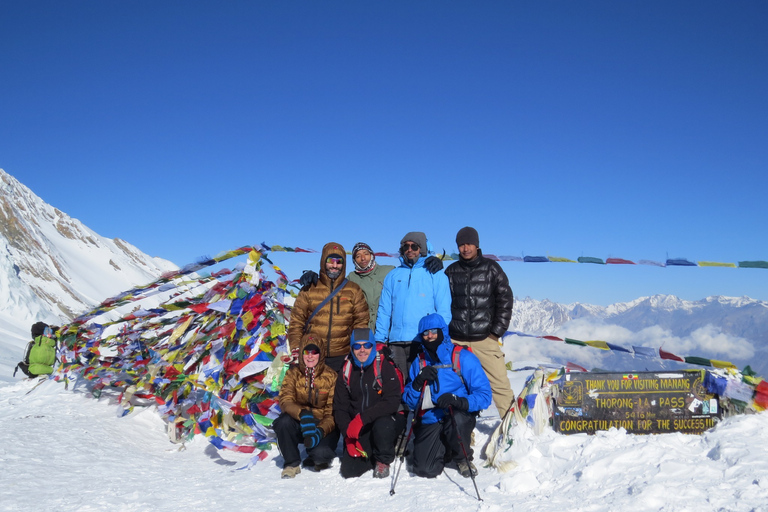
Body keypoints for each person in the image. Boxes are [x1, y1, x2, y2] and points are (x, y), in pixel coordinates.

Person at [402, 313, 491, 478]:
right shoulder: (419, 363)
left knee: (456, 419)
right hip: (431, 417)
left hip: (457, 414)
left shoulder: (462, 357)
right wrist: (418, 382)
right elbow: (410, 402)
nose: (430, 336)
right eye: (425, 333)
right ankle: (445, 448)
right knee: (424, 469)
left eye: (434, 331)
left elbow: (485, 395)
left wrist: (458, 401)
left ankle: (463, 458)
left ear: (442, 331)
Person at [444, 227, 516, 417]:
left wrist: (496, 332)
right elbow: (441, 302)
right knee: (457, 386)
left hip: (485, 339)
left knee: (500, 384)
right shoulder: (451, 271)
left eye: (469, 243)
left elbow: (505, 299)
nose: (465, 248)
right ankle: (464, 434)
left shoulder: (491, 268)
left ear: (477, 245)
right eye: (461, 244)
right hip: (456, 341)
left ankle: (513, 429)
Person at [375, 231, 452, 378]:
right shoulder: (393, 275)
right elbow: (385, 310)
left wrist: (441, 339)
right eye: (406, 246)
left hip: (423, 340)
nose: (409, 250)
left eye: (414, 246)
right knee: (397, 383)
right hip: (396, 341)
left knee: (420, 384)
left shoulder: (435, 274)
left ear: (421, 249)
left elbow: (444, 311)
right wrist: (380, 339)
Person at [288, 242, 369, 374]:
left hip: (342, 356)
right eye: (331, 261)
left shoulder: (353, 290)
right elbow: (297, 322)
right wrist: (296, 349)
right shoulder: (309, 288)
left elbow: (361, 323)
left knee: (339, 394)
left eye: (339, 261)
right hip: (313, 354)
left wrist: (359, 351)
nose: (335, 266)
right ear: (323, 261)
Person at [334, 328, 401, 479]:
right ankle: (370, 449)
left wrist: (362, 418)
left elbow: (392, 400)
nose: (362, 350)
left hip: (382, 419)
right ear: (352, 348)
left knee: (383, 425)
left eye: (366, 345)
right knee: (349, 471)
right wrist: (348, 436)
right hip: (359, 426)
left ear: (372, 346)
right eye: (357, 346)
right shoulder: (346, 369)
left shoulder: (383, 365)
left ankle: (383, 459)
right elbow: (340, 407)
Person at [274, 333, 340, 479]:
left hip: (322, 424)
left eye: (314, 352)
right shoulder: (293, 374)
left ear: (320, 354)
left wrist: (320, 431)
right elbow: (285, 400)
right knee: (283, 422)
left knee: (321, 456)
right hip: (301, 420)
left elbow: (332, 412)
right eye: (307, 352)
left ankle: (315, 452)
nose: (310, 356)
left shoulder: (331, 376)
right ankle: (291, 463)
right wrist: (302, 414)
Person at [346, 242, 395, 331]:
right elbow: (334, 286)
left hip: (386, 329)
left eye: (366, 254)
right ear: (354, 260)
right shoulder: (351, 278)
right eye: (358, 256)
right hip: (362, 329)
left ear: (372, 255)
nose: (363, 258)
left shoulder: (389, 271)